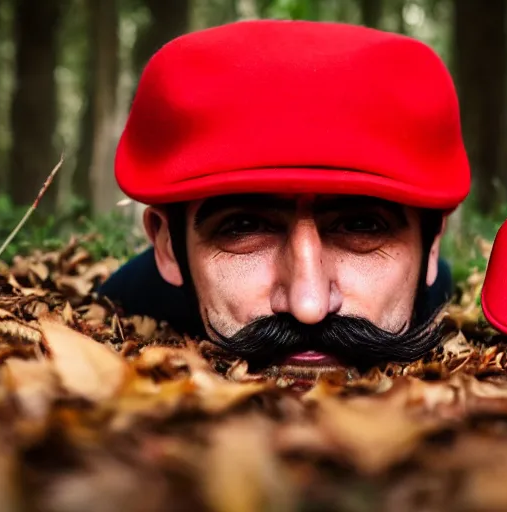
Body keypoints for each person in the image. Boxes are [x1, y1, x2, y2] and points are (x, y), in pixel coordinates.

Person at [98, 19, 471, 371]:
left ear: (432, 245)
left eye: (362, 225)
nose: (308, 306)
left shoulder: (437, 291)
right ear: (167, 246)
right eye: (243, 226)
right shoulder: (123, 302)